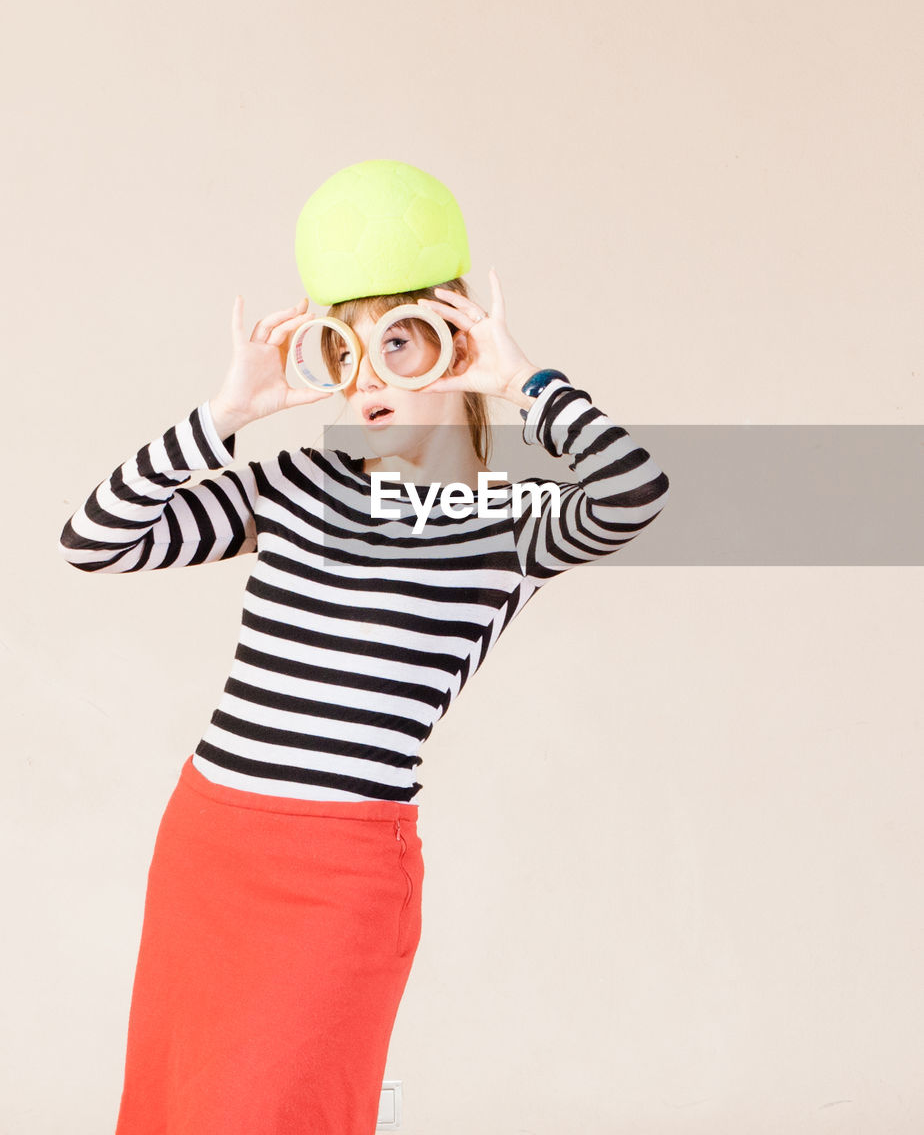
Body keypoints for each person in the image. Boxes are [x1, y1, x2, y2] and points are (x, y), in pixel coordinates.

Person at [59, 267, 670, 1134]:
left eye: (397, 342)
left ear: (452, 346)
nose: (367, 378)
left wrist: (524, 382)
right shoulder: (301, 483)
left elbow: (635, 492)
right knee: (173, 1108)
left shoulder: (513, 521)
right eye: (345, 351)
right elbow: (96, 541)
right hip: (210, 842)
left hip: (340, 874)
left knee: (284, 1111)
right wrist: (223, 417)